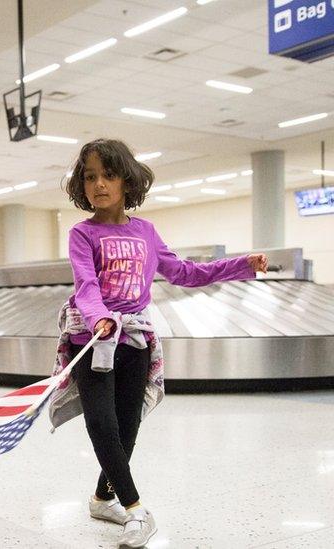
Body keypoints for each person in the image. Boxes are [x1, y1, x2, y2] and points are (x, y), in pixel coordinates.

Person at [50, 138, 268, 548]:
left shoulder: (146, 232)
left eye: (108, 175)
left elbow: (185, 272)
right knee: (101, 423)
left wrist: (241, 265)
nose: (99, 184)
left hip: (134, 343)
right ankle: (136, 510)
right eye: (90, 176)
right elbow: (86, 284)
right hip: (93, 339)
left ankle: (102, 498)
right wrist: (99, 318)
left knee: (128, 426)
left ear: (127, 181)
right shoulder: (82, 234)